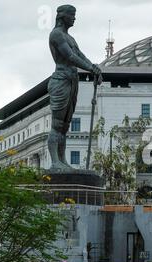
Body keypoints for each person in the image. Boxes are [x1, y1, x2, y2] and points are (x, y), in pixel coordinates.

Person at [48, 5, 101, 170]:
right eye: (72, 15)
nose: (74, 18)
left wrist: (93, 66)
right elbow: (70, 56)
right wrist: (90, 68)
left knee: (65, 125)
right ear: (63, 16)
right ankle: (55, 161)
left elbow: (80, 55)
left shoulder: (70, 38)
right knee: (57, 124)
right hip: (61, 80)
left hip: (72, 80)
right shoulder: (56, 34)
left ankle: (63, 160)